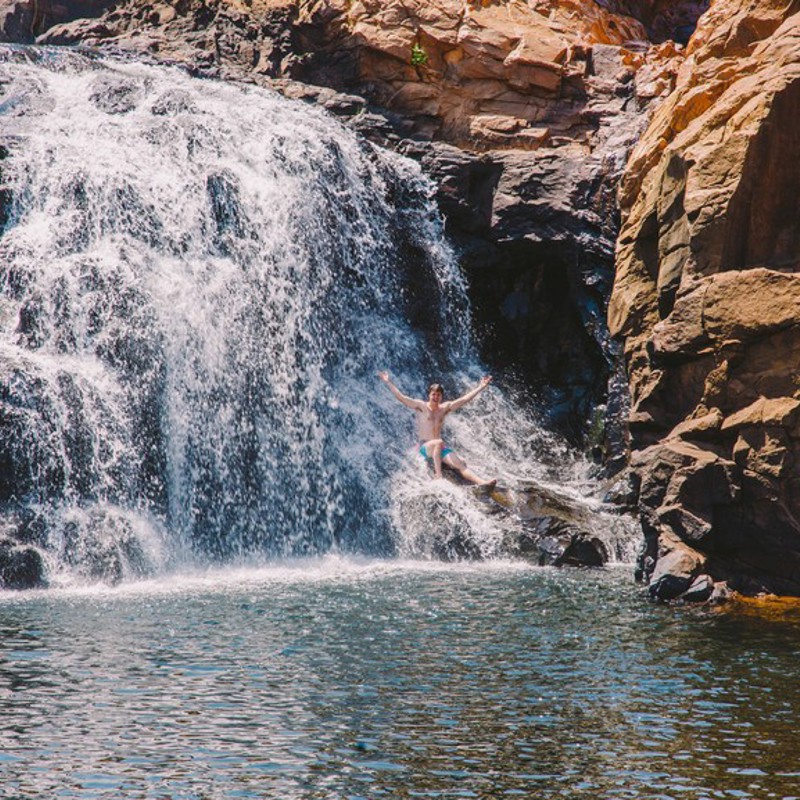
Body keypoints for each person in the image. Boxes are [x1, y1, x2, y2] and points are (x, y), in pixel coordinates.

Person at [378, 371, 496, 487]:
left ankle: (483, 483)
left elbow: (464, 400)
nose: (436, 397)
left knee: (461, 464)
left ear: (441, 397)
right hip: (424, 447)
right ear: (429, 395)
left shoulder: (444, 409)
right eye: (433, 394)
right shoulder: (421, 406)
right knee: (439, 442)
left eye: (438, 395)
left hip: (440, 449)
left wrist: (481, 386)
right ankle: (438, 476)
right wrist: (388, 382)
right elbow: (401, 397)